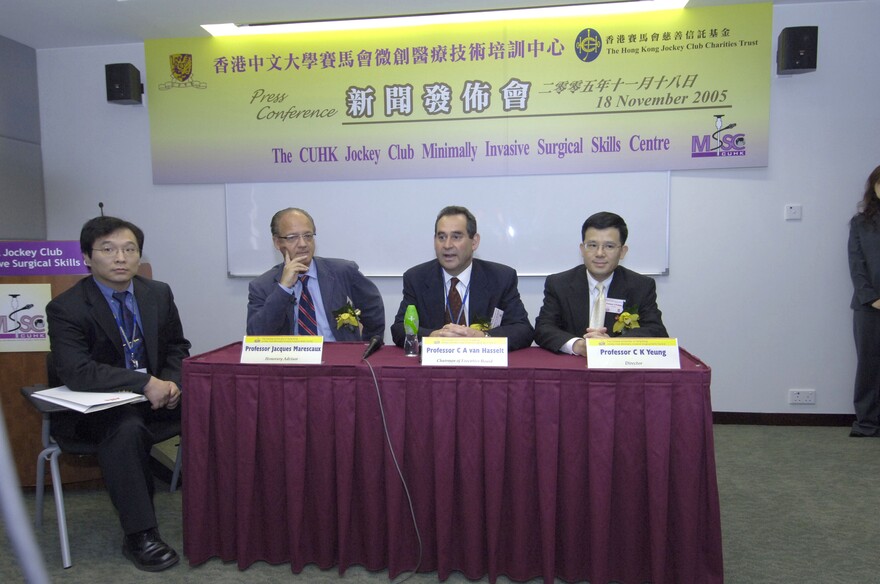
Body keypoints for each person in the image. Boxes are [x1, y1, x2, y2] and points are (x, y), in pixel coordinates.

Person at [46, 216, 190, 571]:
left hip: (157, 400)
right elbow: (76, 370)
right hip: (97, 411)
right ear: (86, 257)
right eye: (108, 250)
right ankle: (141, 534)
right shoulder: (67, 307)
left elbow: (177, 347)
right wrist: (144, 383)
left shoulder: (157, 293)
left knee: (219, 406)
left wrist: (172, 383)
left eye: (129, 249)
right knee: (126, 429)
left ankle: (231, 515)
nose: (120, 258)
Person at [390, 205, 534, 350]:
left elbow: (522, 330)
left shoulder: (501, 278)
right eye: (441, 237)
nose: (447, 245)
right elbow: (399, 329)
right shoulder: (416, 278)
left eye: (456, 237)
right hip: (433, 368)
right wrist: (432, 336)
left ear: (474, 242)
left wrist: (483, 338)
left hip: (482, 366)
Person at [535, 211, 668, 355]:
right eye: (592, 245)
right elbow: (543, 328)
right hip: (573, 367)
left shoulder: (641, 286)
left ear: (623, 252)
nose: (599, 253)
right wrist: (578, 346)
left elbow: (656, 331)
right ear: (582, 249)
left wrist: (612, 345)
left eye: (609, 246)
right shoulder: (559, 284)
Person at [247, 207, 384, 341]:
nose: (303, 244)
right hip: (291, 360)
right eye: (292, 237)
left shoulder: (343, 271)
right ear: (277, 242)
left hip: (338, 358)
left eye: (308, 236)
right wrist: (283, 289)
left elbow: (372, 307)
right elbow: (256, 336)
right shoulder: (261, 286)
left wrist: (367, 347)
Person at [848, 164, 880, 437]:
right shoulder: (860, 223)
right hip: (869, 306)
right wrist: (872, 298)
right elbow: (856, 264)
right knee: (869, 363)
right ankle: (867, 423)